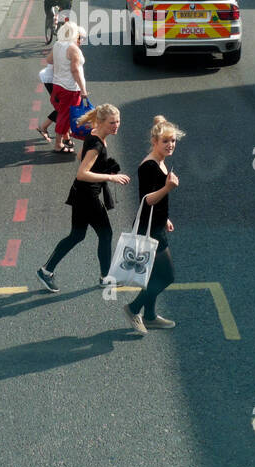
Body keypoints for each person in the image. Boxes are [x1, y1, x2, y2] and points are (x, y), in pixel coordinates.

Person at [35, 103, 130, 293]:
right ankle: (105, 278)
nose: (116, 125)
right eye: (112, 122)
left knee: (77, 235)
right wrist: (110, 176)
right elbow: (82, 172)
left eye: (118, 121)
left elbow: (80, 155)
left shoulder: (95, 134)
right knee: (105, 234)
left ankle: (46, 271)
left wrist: (101, 168)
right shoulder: (97, 143)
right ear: (102, 122)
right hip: (87, 196)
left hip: (81, 193)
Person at [123, 116, 184, 334]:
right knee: (167, 276)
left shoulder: (159, 159)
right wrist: (168, 188)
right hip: (150, 230)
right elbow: (146, 199)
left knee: (155, 276)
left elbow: (154, 202)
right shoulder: (149, 165)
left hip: (156, 224)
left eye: (173, 141)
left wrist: (164, 217)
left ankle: (149, 317)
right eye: (165, 141)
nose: (170, 145)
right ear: (154, 141)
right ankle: (133, 308)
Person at [48, 20, 87, 154]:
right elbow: (75, 70)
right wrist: (83, 89)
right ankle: (58, 144)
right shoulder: (72, 48)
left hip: (57, 84)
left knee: (63, 114)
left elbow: (49, 60)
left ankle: (65, 137)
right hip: (70, 88)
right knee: (66, 116)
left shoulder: (58, 44)